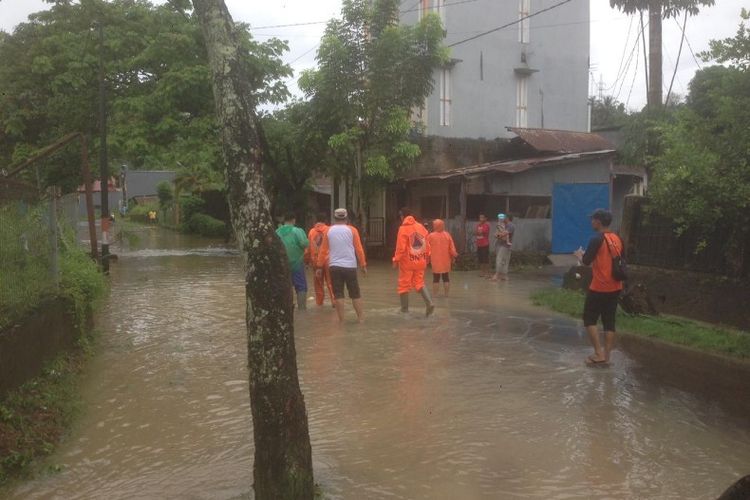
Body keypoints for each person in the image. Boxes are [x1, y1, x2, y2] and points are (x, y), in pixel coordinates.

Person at [574, 209, 624, 365]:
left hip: (599, 286)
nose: (591, 222)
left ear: (598, 221)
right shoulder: (617, 238)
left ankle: (598, 353)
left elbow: (586, 261)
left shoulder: (596, 239)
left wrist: (579, 255)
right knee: (609, 321)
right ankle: (607, 356)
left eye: (593, 220)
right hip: (616, 285)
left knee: (589, 319)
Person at [316, 208, 367, 323]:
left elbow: (323, 250)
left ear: (334, 218)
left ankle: (342, 321)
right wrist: (363, 265)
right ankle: (361, 319)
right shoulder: (352, 230)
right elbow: (359, 249)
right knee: (355, 293)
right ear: (346, 217)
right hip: (350, 267)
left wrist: (319, 266)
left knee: (338, 294)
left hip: (334, 267)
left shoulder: (328, 231)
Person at [393, 207, 435, 317]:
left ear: (402, 216)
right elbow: (427, 243)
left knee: (404, 284)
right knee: (419, 282)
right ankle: (429, 302)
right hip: (421, 260)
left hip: (407, 262)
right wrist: (427, 257)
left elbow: (400, 248)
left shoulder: (403, 229)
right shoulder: (420, 226)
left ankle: (404, 310)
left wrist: (395, 260)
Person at [276, 213, 310, 311]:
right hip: (296, 263)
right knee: (301, 287)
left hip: (282, 264)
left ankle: (285, 309)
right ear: (294, 220)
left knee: (285, 286)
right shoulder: (297, 231)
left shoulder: (277, 231)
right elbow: (304, 244)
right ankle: (302, 310)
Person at [306, 213, 335, 307]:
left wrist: (306, 260)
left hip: (315, 261)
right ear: (325, 220)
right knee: (331, 282)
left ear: (316, 221)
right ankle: (334, 302)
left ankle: (319, 304)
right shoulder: (330, 230)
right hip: (328, 260)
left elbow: (308, 248)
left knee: (318, 284)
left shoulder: (311, 232)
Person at [427, 219, 458, 296]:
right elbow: (452, 248)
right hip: (446, 260)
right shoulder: (447, 235)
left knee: (436, 278)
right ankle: (446, 295)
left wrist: (426, 259)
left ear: (435, 226)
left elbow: (426, 248)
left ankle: (435, 295)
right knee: (446, 277)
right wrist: (454, 256)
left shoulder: (430, 236)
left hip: (435, 260)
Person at [491, 213, 515, 281]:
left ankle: (497, 275)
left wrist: (498, 235)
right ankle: (504, 276)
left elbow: (503, 234)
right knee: (503, 260)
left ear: (507, 218)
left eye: (503, 217)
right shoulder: (503, 225)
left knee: (500, 259)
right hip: (501, 245)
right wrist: (499, 235)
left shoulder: (511, 225)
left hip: (506, 246)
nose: (502, 219)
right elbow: (497, 234)